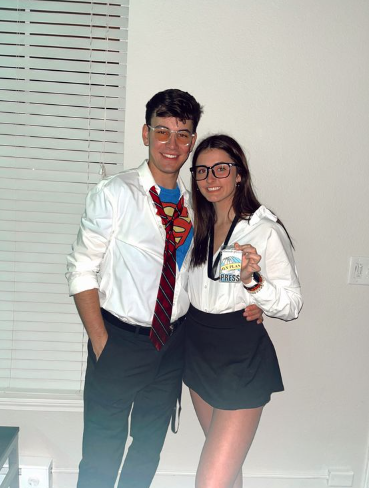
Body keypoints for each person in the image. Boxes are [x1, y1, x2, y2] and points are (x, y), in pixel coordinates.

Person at [66, 90, 262, 488]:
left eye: (183, 134)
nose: (172, 145)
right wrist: (103, 342)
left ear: (191, 141)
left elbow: (208, 270)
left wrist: (252, 293)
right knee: (103, 447)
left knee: (148, 446)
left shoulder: (197, 204)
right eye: (163, 132)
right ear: (145, 134)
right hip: (119, 338)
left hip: (173, 344)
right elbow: (81, 270)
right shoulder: (115, 194)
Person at [183, 134, 303, 488]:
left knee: (210, 482)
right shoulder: (198, 227)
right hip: (198, 349)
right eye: (202, 170)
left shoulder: (263, 230)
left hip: (240, 356)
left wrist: (254, 285)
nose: (210, 178)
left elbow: (293, 304)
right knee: (226, 473)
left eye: (221, 168)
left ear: (239, 175)